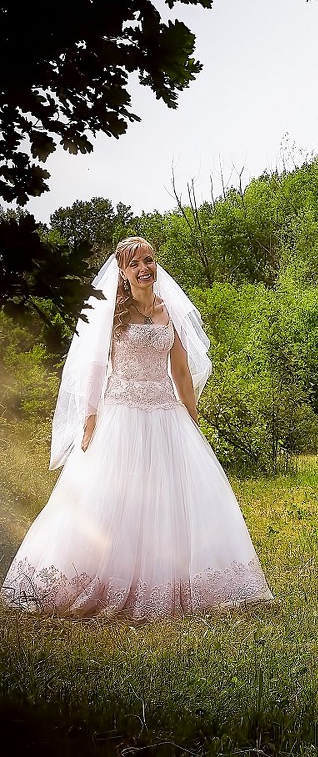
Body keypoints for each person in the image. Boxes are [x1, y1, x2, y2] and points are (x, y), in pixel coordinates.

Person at [3, 237, 274, 620]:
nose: (145, 268)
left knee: (171, 500)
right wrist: (91, 418)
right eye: (135, 264)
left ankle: (175, 580)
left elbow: (179, 369)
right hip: (121, 414)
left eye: (149, 260)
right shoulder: (112, 313)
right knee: (111, 498)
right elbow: (94, 368)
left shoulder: (169, 312)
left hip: (165, 412)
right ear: (123, 272)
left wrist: (192, 417)